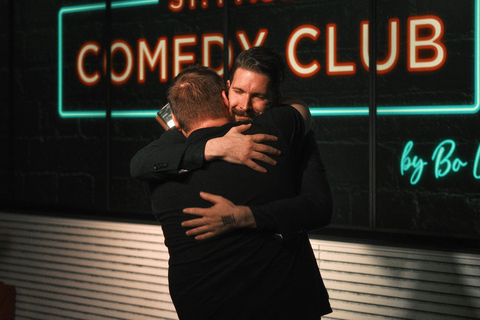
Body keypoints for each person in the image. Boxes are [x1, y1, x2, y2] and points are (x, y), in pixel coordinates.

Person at [131, 47, 333, 318]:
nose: (244, 105)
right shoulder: (183, 145)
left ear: (275, 99)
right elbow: (140, 162)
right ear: (225, 91)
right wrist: (212, 147)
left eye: (258, 96)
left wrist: (244, 216)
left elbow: (318, 207)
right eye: (238, 92)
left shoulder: (281, 132)